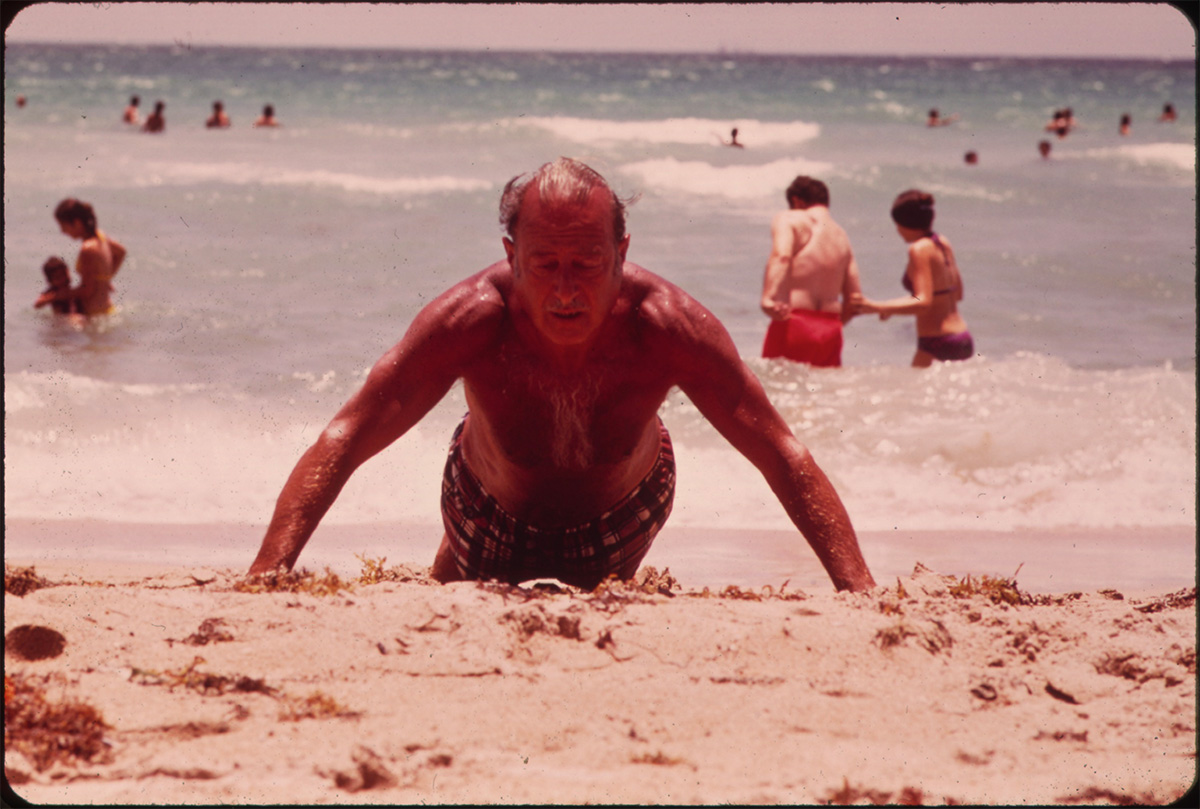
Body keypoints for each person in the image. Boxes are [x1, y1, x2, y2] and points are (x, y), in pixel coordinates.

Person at [248, 158, 876, 593]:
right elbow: (349, 434)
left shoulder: (666, 322)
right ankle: (454, 564)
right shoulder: (471, 318)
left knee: (597, 600)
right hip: (482, 507)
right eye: (545, 264)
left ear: (622, 253)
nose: (566, 289)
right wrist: (267, 574)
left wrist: (859, 590)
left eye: (587, 262)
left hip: (623, 513)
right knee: (464, 582)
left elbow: (780, 452)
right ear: (511, 255)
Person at [850, 190, 973, 367]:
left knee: (910, 393)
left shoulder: (919, 249)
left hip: (936, 342)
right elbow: (957, 293)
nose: (897, 230)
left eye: (897, 224)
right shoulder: (942, 243)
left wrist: (875, 307)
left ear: (905, 223)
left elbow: (923, 303)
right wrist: (892, 308)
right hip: (962, 338)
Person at [759, 176, 862, 368]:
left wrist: (768, 298)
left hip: (793, 321)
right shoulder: (841, 235)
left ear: (797, 201)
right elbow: (854, 300)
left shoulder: (790, 218)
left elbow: (782, 256)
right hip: (831, 330)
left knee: (777, 394)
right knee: (822, 394)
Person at [36, 199, 126, 316]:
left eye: (63, 226)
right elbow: (121, 252)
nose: (62, 231)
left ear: (77, 223)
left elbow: (87, 291)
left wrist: (53, 297)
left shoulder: (87, 249)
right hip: (106, 310)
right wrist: (105, 279)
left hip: (94, 315)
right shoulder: (100, 236)